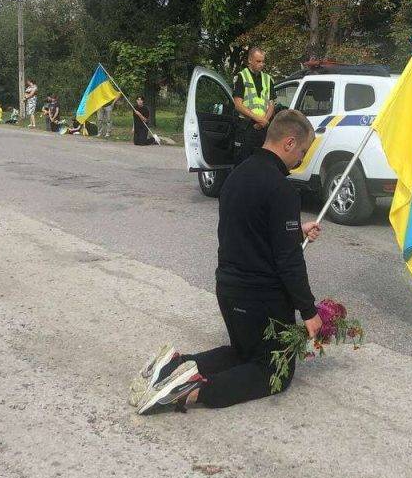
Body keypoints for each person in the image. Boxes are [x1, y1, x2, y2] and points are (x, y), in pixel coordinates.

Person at [135, 110, 323, 414]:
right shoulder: (282, 188)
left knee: (244, 353)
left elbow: (247, 226)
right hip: (260, 298)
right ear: (289, 143)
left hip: (229, 289)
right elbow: (289, 260)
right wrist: (309, 311)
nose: (301, 159)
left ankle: (175, 366)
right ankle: (189, 392)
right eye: (302, 151)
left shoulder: (238, 174)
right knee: (274, 372)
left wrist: (294, 229)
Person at [232, 47, 276, 163]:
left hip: (263, 128)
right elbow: (238, 104)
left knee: (262, 163)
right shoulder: (241, 77)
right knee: (243, 163)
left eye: (263, 61)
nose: (261, 64)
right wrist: (258, 119)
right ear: (250, 60)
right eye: (258, 61)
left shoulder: (268, 79)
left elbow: (271, 104)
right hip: (246, 127)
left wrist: (264, 121)